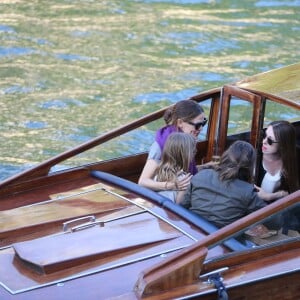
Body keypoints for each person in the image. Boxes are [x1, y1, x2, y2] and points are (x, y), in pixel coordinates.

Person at [180, 141, 268, 228]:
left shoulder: (201, 175)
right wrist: (271, 196)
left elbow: (183, 206)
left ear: (226, 156)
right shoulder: (248, 192)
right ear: (250, 166)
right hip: (221, 239)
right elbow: (274, 222)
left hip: (191, 231)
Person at [138, 99, 207, 193]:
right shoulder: (161, 145)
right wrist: (172, 185)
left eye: (203, 123)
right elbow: (143, 182)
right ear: (180, 123)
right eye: (198, 125)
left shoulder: (186, 140)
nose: (201, 129)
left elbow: (184, 170)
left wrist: (208, 167)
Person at [255, 120, 299, 232]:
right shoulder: (254, 156)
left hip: (284, 215)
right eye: (264, 136)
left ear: (283, 144)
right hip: (255, 212)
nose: (264, 142)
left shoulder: (296, 160)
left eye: (270, 140)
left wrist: (271, 196)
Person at [155, 132, 196, 203]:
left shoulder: (159, 171)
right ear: (185, 155)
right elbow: (179, 206)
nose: (195, 152)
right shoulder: (184, 180)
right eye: (193, 151)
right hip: (167, 212)